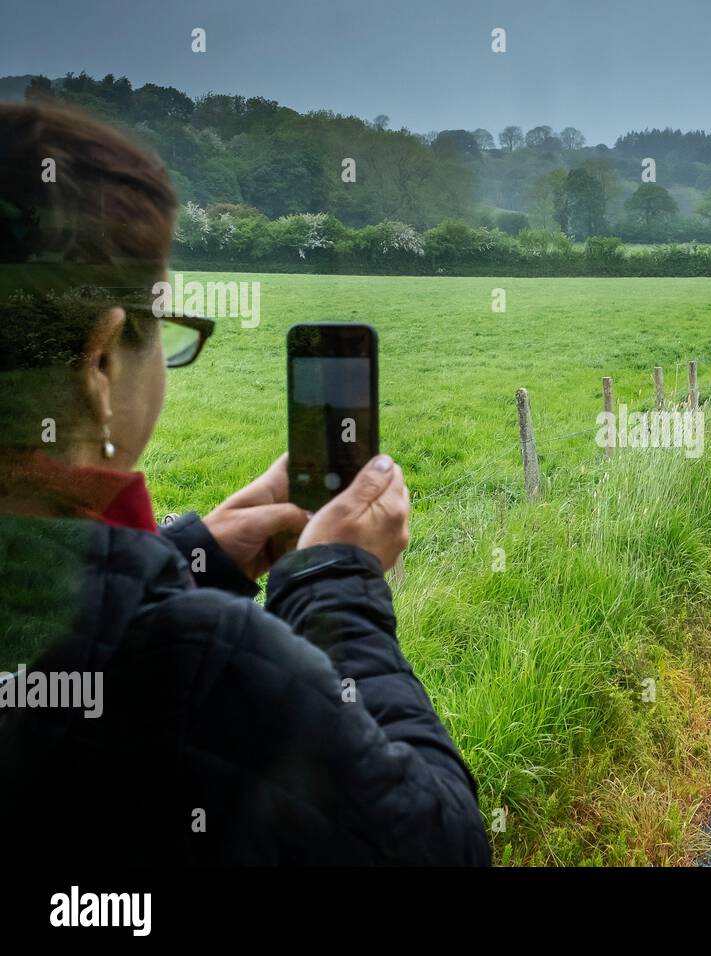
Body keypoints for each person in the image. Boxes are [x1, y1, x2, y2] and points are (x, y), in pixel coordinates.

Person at [0, 101, 490, 865]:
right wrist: (334, 590)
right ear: (101, 364)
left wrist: (194, 558)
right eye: (166, 328)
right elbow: (440, 844)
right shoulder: (198, 659)